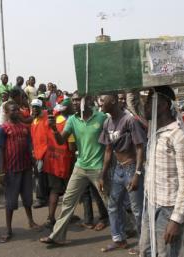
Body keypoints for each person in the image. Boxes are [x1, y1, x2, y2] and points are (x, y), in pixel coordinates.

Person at [40, 93, 107, 245]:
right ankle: (56, 236)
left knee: (110, 201)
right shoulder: (72, 120)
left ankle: (127, 227)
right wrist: (54, 129)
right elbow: (61, 140)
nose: (75, 103)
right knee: (68, 201)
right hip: (80, 167)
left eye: (78, 99)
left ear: (88, 100)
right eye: (74, 100)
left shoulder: (101, 117)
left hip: (97, 168)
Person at [139, 86, 184, 257]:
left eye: (149, 101)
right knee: (147, 251)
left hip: (169, 209)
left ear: (163, 105)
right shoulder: (156, 132)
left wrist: (176, 219)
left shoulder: (178, 135)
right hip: (151, 203)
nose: (145, 106)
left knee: (165, 254)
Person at [98, 95, 146, 253]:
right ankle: (118, 239)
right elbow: (108, 150)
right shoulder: (107, 122)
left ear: (112, 101)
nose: (100, 104)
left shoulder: (129, 120)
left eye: (102, 101)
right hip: (118, 170)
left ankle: (144, 244)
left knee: (137, 209)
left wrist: (137, 174)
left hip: (132, 168)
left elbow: (140, 147)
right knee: (113, 205)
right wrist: (103, 175)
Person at [0, 101, 40, 243]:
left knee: (27, 198)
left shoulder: (24, 128)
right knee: (10, 201)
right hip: (11, 170)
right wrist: (1, 172)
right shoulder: (2, 129)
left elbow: (29, 147)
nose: (16, 112)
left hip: (26, 168)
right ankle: (8, 229)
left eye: (17, 110)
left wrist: (34, 165)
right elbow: (0, 152)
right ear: (7, 112)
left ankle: (31, 221)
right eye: (13, 110)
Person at [43, 98, 76, 228]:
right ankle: (67, 216)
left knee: (54, 190)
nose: (74, 107)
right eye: (72, 106)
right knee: (69, 190)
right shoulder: (69, 123)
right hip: (65, 161)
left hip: (51, 160)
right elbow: (72, 147)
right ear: (68, 108)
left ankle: (50, 218)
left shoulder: (52, 121)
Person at [30, 99, 49, 209]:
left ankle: (41, 198)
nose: (35, 109)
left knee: (40, 175)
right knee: (40, 175)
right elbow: (34, 138)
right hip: (37, 152)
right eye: (33, 107)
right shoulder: (34, 121)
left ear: (41, 108)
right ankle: (44, 197)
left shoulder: (46, 119)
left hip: (45, 152)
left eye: (37, 107)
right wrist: (33, 151)